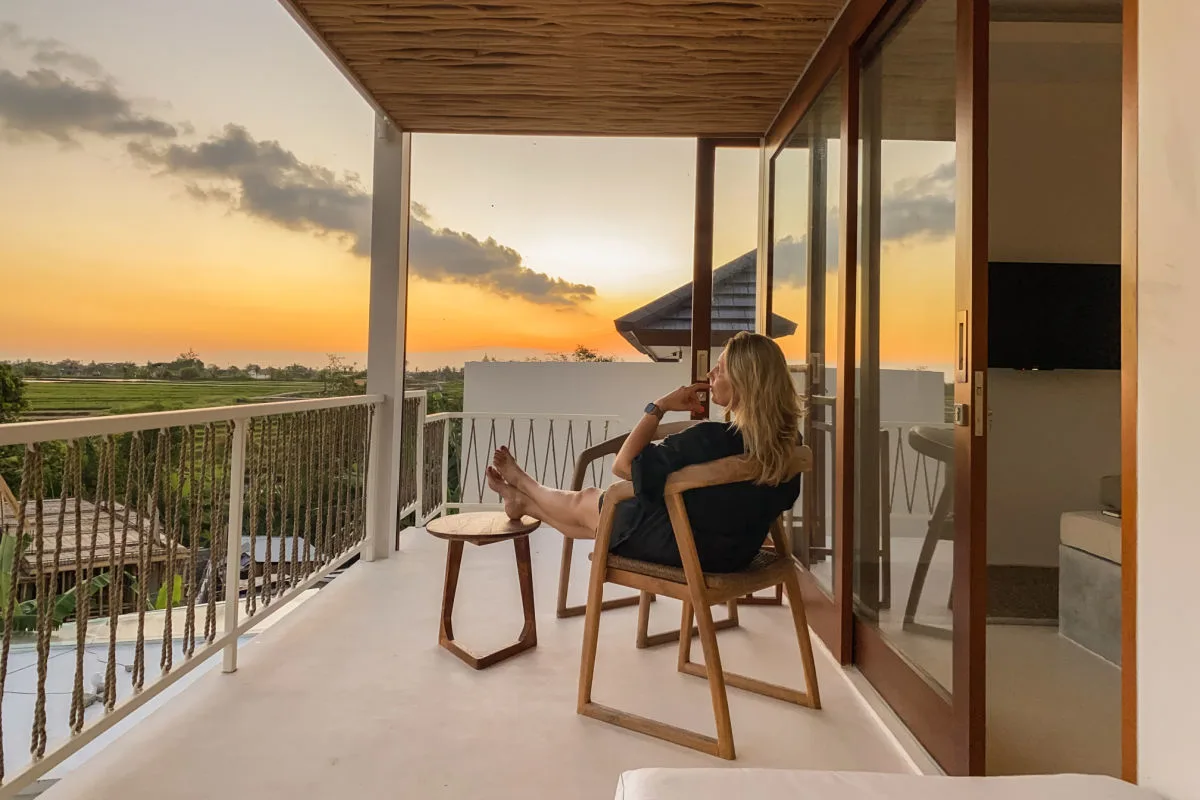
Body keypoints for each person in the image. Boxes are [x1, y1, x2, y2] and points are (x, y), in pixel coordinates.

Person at [485, 331, 803, 574]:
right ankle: (524, 502)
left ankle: (526, 485)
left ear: (744, 382)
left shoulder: (709, 439)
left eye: (718, 370)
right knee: (594, 517)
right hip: (734, 553)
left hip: (686, 548)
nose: (709, 376)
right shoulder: (787, 444)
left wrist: (659, 407)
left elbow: (623, 466)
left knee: (591, 500)